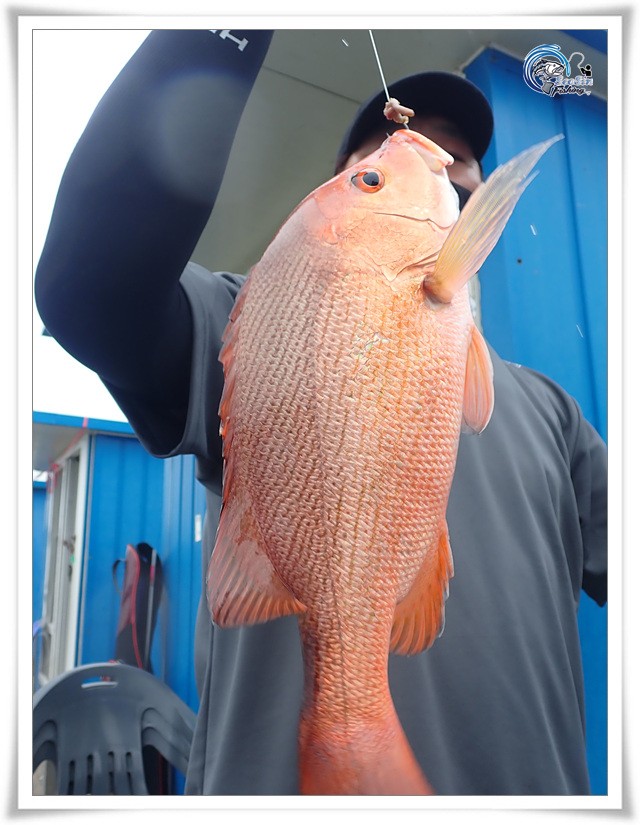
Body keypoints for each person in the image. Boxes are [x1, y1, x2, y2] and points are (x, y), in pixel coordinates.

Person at [34, 29, 607, 795]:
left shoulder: (557, 415)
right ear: (334, 200)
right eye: (372, 170)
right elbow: (90, 291)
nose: (430, 154)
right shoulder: (256, 333)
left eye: (459, 153)